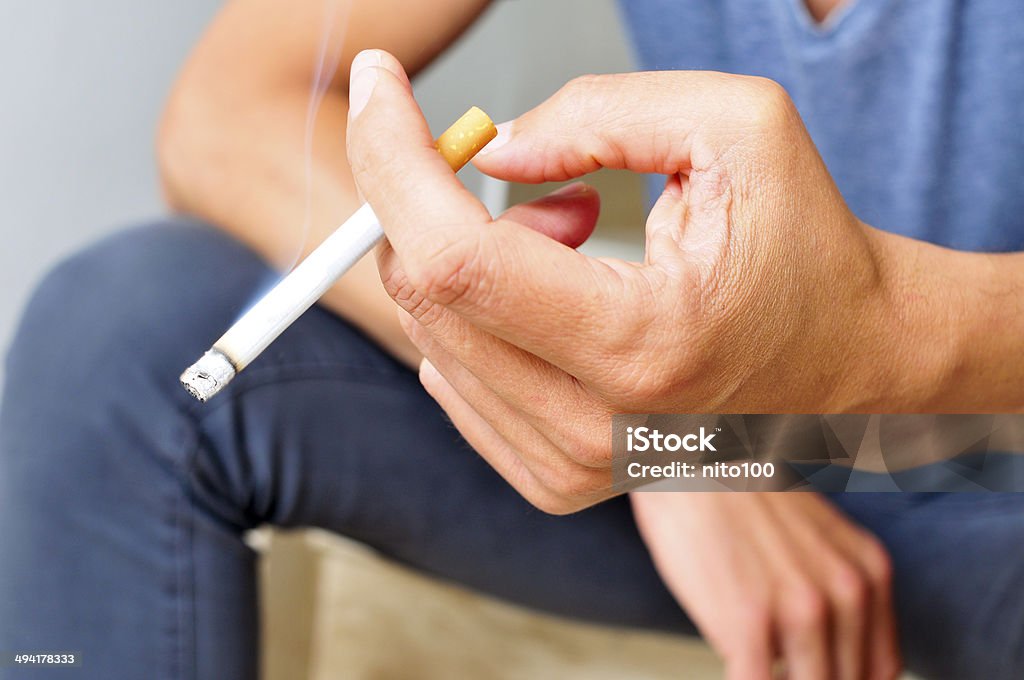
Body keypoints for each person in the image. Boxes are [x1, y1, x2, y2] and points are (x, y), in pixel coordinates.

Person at [2, 1, 1022, 678]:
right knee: (123, 330)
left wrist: (870, 332)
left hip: (992, 449)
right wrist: (656, 432)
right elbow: (222, 112)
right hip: (737, 428)